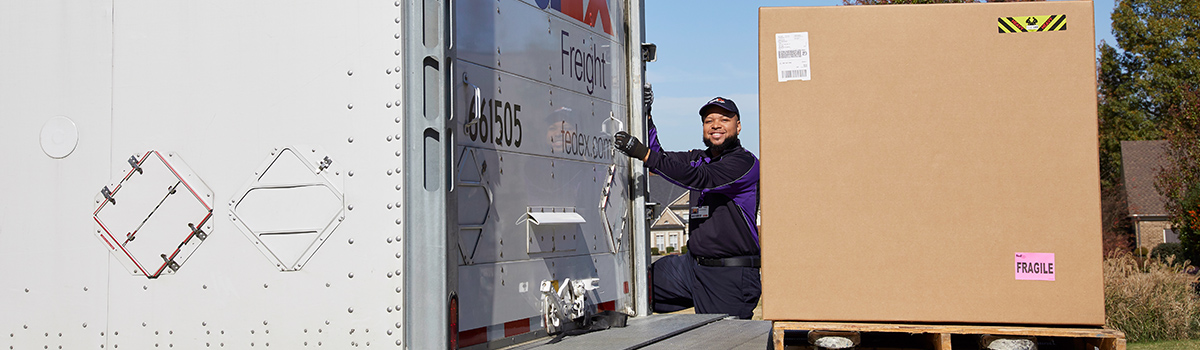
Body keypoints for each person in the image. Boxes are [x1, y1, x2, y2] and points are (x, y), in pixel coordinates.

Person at [613, 93, 761, 319]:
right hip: (690, 267)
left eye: (724, 119)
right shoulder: (698, 157)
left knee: (723, 341)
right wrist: (646, 116)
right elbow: (660, 158)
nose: (715, 126)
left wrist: (643, 154)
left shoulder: (744, 163)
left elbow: (699, 178)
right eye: (709, 121)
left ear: (738, 126)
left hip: (729, 273)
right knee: (639, 286)